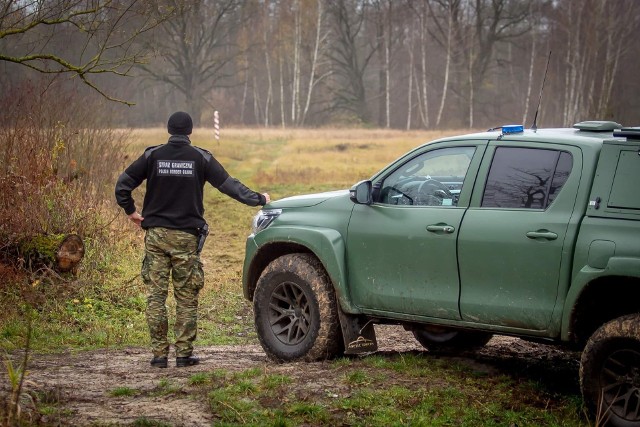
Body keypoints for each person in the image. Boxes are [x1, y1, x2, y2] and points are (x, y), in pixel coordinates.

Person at [115, 111, 270, 368]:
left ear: (168, 129)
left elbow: (123, 184)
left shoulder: (152, 156)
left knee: (156, 296)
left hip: (155, 236)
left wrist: (130, 210)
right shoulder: (200, 158)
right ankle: (184, 355)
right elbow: (229, 186)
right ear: (189, 131)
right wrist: (259, 199)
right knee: (186, 297)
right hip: (186, 236)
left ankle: (159, 356)